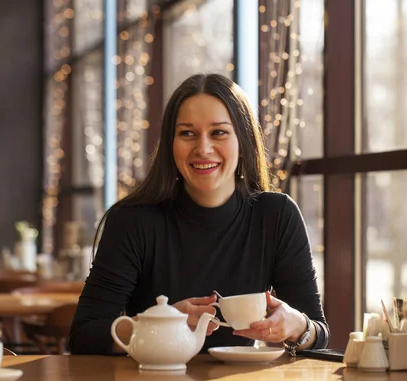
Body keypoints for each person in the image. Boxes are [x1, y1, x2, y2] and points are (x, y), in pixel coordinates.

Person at [69, 73, 329, 355]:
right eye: (187, 133)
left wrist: (299, 326)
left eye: (218, 132)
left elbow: (319, 332)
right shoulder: (132, 220)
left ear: (243, 142)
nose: (203, 148)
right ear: (171, 145)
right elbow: (83, 335)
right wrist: (157, 326)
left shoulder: (276, 215)